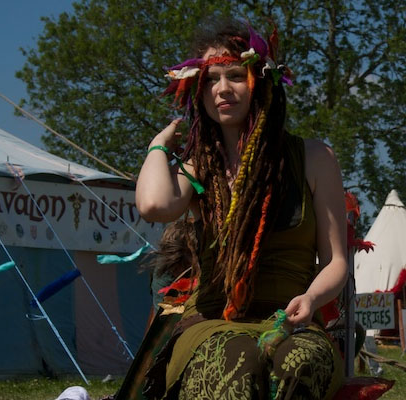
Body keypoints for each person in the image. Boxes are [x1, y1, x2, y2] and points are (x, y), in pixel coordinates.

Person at [134, 17, 348, 400]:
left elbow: (335, 262)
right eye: (211, 80)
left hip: (291, 319)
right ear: (198, 93)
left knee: (300, 364)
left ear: (260, 82)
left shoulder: (315, 158)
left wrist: (312, 299)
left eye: (235, 76)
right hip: (212, 321)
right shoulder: (198, 166)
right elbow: (154, 205)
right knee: (236, 360)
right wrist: (158, 147)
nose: (222, 89)